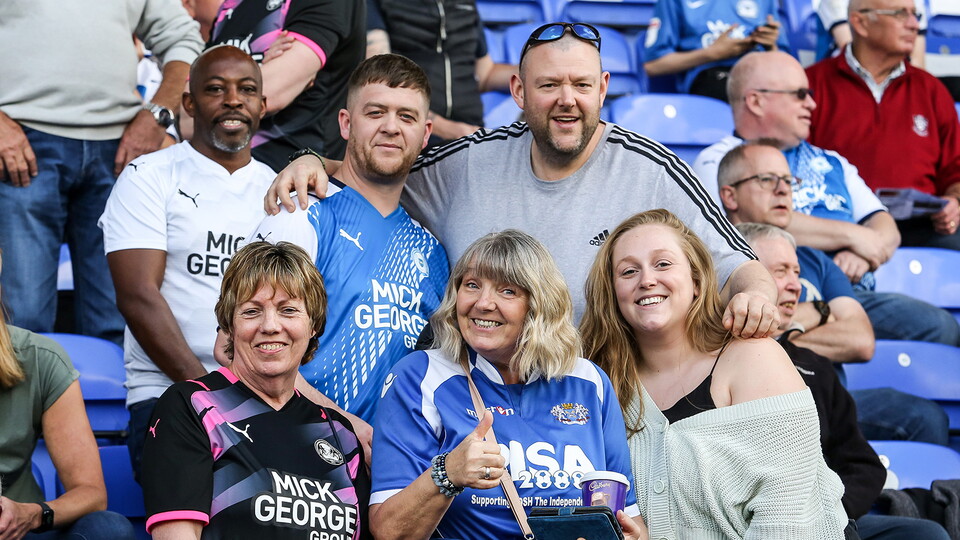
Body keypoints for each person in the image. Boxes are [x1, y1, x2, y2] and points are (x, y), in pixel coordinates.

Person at [266, 22, 781, 338]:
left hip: (604, 402)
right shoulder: (468, 163)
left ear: (603, 89)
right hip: (475, 409)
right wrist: (315, 161)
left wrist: (754, 296)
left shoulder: (651, 169)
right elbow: (381, 172)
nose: (567, 99)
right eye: (549, 84)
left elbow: (739, 262)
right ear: (517, 90)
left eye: (581, 84)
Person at [581, 209, 848, 538]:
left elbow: (789, 514)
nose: (646, 279)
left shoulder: (753, 356)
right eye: (628, 271)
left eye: (663, 264)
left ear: (695, 281)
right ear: (613, 292)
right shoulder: (602, 387)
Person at [370, 230, 647, 540]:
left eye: (507, 291)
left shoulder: (588, 381)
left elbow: (630, 522)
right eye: (472, 285)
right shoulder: (421, 375)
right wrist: (448, 474)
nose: (483, 303)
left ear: (539, 304)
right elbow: (388, 531)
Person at [99, 45, 277, 481]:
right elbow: (138, 297)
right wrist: (211, 398)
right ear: (189, 103)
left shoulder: (280, 190)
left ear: (262, 105)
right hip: (169, 395)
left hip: (266, 400)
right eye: (216, 89)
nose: (233, 99)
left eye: (247, 89)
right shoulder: (149, 176)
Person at [250, 54, 449, 424]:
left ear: (425, 134)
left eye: (406, 117)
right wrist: (344, 427)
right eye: (375, 113)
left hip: (386, 464)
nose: (391, 127)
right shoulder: (303, 213)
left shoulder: (433, 253)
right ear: (345, 123)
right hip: (287, 446)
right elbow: (237, 348)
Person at [719, 141, 950, 444]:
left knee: (924, 416)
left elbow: (860, 341)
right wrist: (822, 312)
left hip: (830, 399)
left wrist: (788, 329)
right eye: (767, 180)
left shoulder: (816, 259)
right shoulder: (717, 261)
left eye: (789, 181)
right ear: (729, 195)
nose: (783, 190)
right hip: (758, 408)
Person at [0, 0, 203, 346]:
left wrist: (158, 114)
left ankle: (108, 404)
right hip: (22, 140)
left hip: (119, 148)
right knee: (22, 322)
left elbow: (183, 37)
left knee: (119, 321)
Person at [141, 241, 371, 539]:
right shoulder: (192, 406)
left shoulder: (338, 432)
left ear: (313, 325)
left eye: (288, 310)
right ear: (230, 326)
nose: (270, 325)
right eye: (251, 312)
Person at [739, 222, 952, 540]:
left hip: (829, 519)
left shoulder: (813, 365)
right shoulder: (709, 363)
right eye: (780, 271)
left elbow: (865, 466)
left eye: (797, 273)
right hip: (748, 525)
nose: (796, 285)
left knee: (927, 534)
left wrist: (832, 513)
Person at [694, 51, 900, 293]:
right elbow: (740, 225)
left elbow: (886, 228)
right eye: (800, 95)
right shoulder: (718, 160)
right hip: (784, 295)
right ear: (756, 102)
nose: (812, 104)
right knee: (936, 327)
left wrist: (862, 255)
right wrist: (855, 237)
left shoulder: (833, 161)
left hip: (853, 288)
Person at [0, 251, 136, 539]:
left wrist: (32, 514)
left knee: (108, 529)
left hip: (19, 529)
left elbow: (91, 494)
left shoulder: (40, 358)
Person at [806, 0, 960, 250]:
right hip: (840, 227)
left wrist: (954, 203)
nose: (914, 24)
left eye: (915, 14)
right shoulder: (812, 84)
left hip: (923, 226)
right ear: (861, 22)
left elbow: (955, 171)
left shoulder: (932, 90)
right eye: (900, 14)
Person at [206, 0, 365, 166]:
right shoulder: (231, 5)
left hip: (293, 173)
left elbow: (269, 94)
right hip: (214, 168)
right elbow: (189, 113)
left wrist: (215, 86)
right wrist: (259, 68)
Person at [365, 0, 517, 143]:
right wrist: (447, 129)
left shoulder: (466, 4)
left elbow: (485, 75)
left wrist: (530, 74)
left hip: (470, 132)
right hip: (414, 134)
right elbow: (380, 80)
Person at [643, 0, 789, 100]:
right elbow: (653, 66)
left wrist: (771, 45)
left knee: (790, 96)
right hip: (712, 78)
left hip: (762, 75)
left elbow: (787, 67)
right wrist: (711, 54)